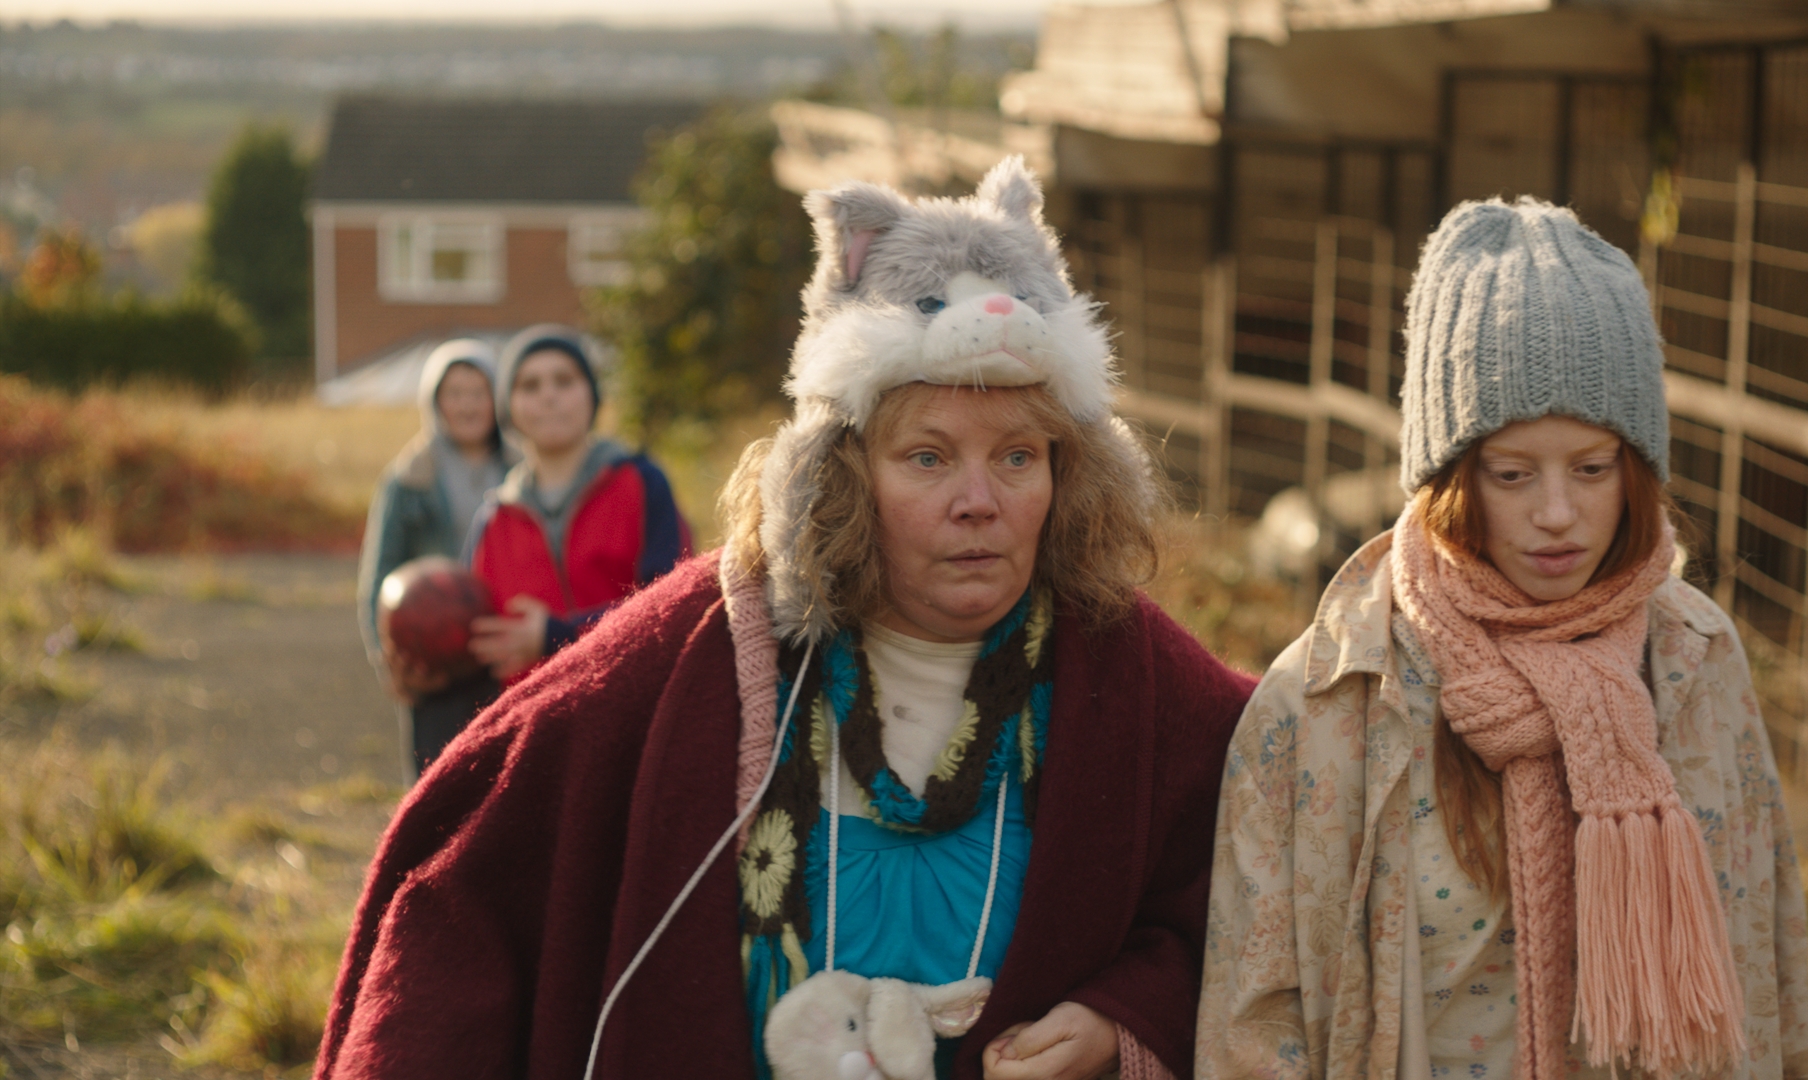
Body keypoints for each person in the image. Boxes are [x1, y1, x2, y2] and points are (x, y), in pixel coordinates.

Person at [314, 160, 1253, 1080]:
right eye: (927, 457)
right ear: (839, 479)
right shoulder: (698, 646)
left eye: (1018, 456)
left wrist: (1125, 1016)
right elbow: (459, 883)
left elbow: (1259, 895)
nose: (981, 500)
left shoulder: (1130, 669)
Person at [1196, 199, 1808, 1080]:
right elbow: (1254, 1018)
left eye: (1595, 469)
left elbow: (1771, 953)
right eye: (1513, 473)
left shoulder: (1693, 656)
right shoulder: (1332, 692)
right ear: (1450, 476)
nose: (1558, 515)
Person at [462, 324, 690, 684]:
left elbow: (674, 607)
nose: (548, 396)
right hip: (534, 725)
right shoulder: (494, 519)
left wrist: (559, 635)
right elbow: (476, 639)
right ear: (510, 407)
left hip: (635, 707)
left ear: (592, 395)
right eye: (529, 385)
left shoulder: (642, 484)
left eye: (564, 381)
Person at [357, 338, 519, 778]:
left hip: (506, 652)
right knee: (438, 782)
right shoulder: (407, 478)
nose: (467, 405)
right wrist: (388, 659)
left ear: (497, 400)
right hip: (435, 655)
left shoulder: (525, 471)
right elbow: (379, 572)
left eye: (477, 392)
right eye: (455, 393)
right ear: (435, 402)